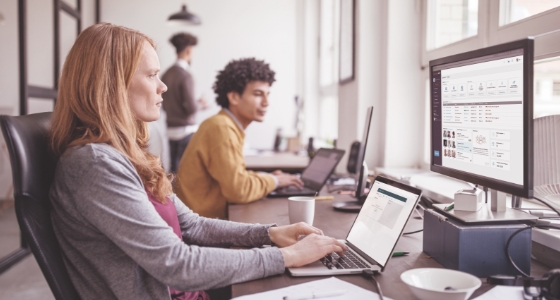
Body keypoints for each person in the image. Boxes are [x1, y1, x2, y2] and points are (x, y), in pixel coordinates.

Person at [49, 23, 346, 300]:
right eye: (152, 75)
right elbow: (177, 265)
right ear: (112, 84)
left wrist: (267, 234)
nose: (163, 86)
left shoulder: (126, 155)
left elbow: (190, 224)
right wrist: (287, 257)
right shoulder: (94, 164)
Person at [174, 58, 303, 219]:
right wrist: (273, 181)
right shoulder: (222, 128)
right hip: (200, 226)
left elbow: (235, 177)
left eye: (267, 94)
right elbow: (239, 191)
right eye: (258, 94)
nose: (266, 102)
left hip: (201, 219)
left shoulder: (222, 124)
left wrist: (267, 178)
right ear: (234, 97)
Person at [161, 32, 206, 172]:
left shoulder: (166, 74)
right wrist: (201, 104)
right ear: (189, 50)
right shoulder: (185, 75)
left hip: (170, 129)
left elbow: (163, 104)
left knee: (173, 171)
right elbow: (192, 108)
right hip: (186, 131)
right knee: (187, 172)